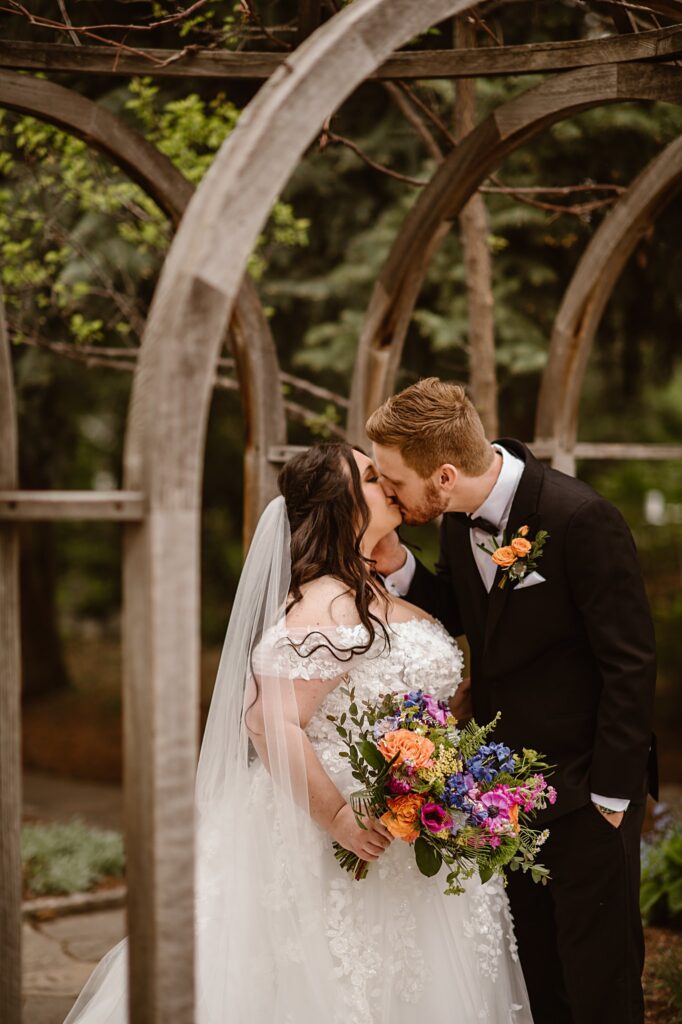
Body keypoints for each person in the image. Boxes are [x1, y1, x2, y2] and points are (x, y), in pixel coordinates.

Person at [63, 441, 532, 1024]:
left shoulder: (374, 591)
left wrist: (448, 759)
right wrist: (337, 816)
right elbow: (267, 719)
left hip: (409, 828)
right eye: (367, 476)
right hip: (334, 829)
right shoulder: (325, 603)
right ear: (341, 505)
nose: (385, 479)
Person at [366, 377, 657, 1024]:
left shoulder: (581, 519)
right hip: (504, 791)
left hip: (587, 789)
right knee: (536, 974)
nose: (388, 492)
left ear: (443, 476)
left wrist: (610, 797)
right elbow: (466, 611)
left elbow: (630, 664)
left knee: (599, 979)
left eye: (394, 481)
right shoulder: (453, 521)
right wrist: (398, 565)